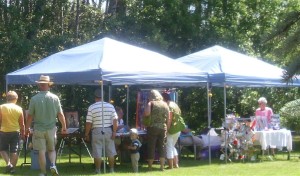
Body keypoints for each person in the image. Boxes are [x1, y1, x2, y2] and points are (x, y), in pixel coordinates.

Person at [25, 75, 67, 176]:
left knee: (41, 151)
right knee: (52, 149)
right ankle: (52, 165)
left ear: (39, 85)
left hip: (39, 128)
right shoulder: (55, 98)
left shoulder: (34, 99)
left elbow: (30, 116)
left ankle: (43, 172)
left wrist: (26, 128)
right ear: (49, 85)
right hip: (51, 128)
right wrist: (64, 127)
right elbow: (60, 114)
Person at [84, 89, 118, 174]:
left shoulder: (92, 107)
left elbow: (88, 122)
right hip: (108, 130)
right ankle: (111, 170)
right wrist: (114, 131)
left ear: (95, 97)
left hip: (96, 130)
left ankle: (98, 170)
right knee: (111, 151)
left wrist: (86, 133)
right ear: (103, 97)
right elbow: (115, 119)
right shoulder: (110, 106)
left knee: (97, 152)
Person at [143, 89, 170, 171]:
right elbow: (168, 118)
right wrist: (167, 128)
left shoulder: (151, 103)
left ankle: (150, 167)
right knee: (162, 146)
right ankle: (162, 167)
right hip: (163, 127)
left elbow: (147, 113)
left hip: (153, 127)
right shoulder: (165, 104)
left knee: (151, 146)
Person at [0, 91, 25, 174]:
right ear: (16, 99)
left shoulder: (1, 107)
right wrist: (23, 133)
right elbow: (22, 123)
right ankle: (12, 169)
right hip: (15, 131)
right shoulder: (19, 109)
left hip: (3, 131)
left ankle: (8, 164)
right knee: (14, 151)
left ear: (7, 98)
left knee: (2, 149)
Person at [161, 91, 182, 169]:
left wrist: (167, 130)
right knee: (172, 146)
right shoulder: (175, 105)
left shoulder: (168, 105)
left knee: (169, 147)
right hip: (177, 129)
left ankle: (170, 166)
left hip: (171, 129)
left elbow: (169, 119)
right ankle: (176, 164)